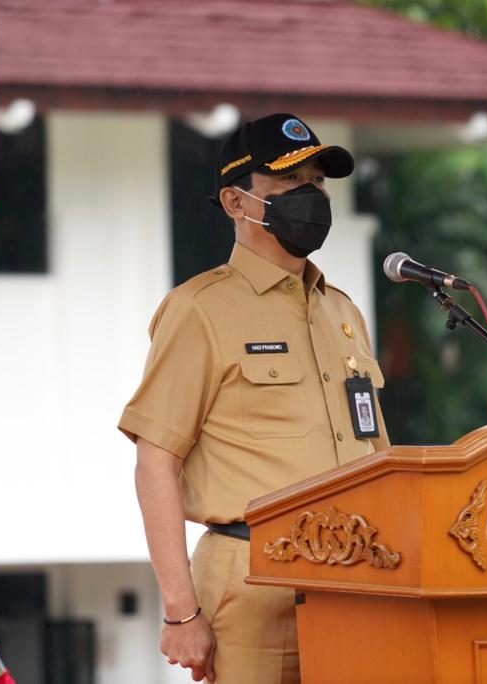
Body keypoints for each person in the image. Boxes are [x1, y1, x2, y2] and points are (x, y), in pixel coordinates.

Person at [118, 112, 389, 683]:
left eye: (317, 182)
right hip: (251, 576)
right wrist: (180, 611)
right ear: (237, 202)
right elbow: (155, 463)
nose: (311, 197)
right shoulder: (199, 310)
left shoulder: (342, 311)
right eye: (290, 184)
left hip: (357, 578)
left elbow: (374, 455)